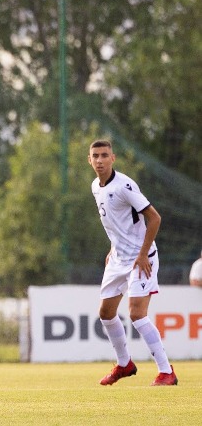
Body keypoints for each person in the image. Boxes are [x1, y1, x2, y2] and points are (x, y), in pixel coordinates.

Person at [88, 139, 177, 386]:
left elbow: (155, 219)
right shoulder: (96, 186)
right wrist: (112, 247)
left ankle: (166, 371)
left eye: (104, 155)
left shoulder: (124, 185)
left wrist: (142, 254)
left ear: (113, 158)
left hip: (141, 258)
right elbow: (116, 223)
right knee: (106, 313)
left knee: (137, 314)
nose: (100, 160)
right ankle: (124, 364)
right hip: (118, 258)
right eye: (95, 156)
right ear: (90, 160)